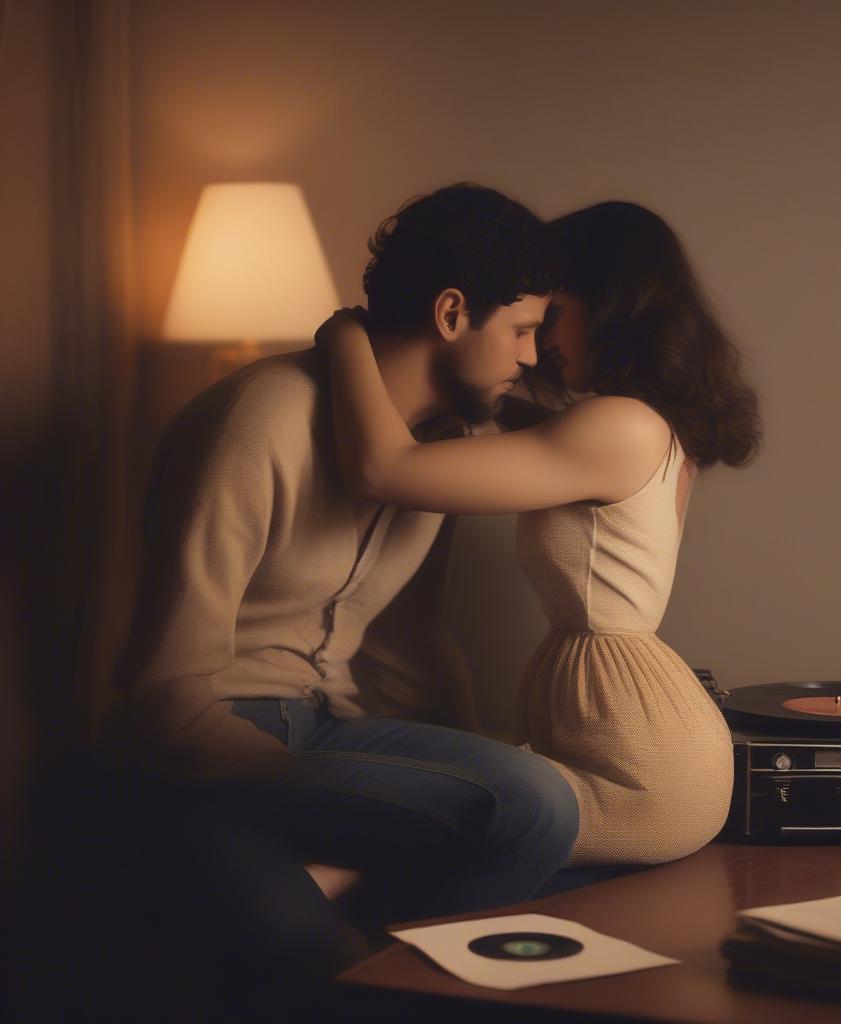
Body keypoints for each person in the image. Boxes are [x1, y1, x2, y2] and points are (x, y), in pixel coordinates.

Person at [109, 183, 580, 1012]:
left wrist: (438, 766)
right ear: (449, 314)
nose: (531, 357)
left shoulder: (445, 445)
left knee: (541, 795)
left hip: (333, 726)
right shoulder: (256, 420)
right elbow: (164, 690)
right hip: (211, 739)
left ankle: (399, 976)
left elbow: (408, 649)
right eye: (523, 330)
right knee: (315, 948)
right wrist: (338, 796)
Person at [318, 200, 762, 867]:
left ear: (608, 304)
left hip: (646, 778)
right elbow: (513, 431)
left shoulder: (618, 427)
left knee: (380, 848)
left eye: (552, 313)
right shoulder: (636, 422)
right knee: (395, 835)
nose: (537, 344)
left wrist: (344, 335)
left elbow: (382, 470)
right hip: (633, 751)